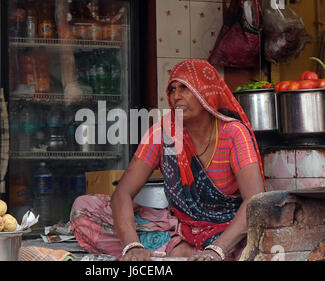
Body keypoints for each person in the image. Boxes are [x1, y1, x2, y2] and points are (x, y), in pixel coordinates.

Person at [70, 59, 266, 261]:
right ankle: (181, 251)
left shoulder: (234, 133)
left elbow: (255, 202)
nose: (176, 97)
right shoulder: (163, 133)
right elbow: (122, 193)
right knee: (83, 209)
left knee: (263, 249)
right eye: (172, 89)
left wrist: (217, 249)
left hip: (229, 234)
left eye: (185, 88)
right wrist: (131, 245)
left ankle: (181, 254)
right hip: (181, 231)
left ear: (206, 92)